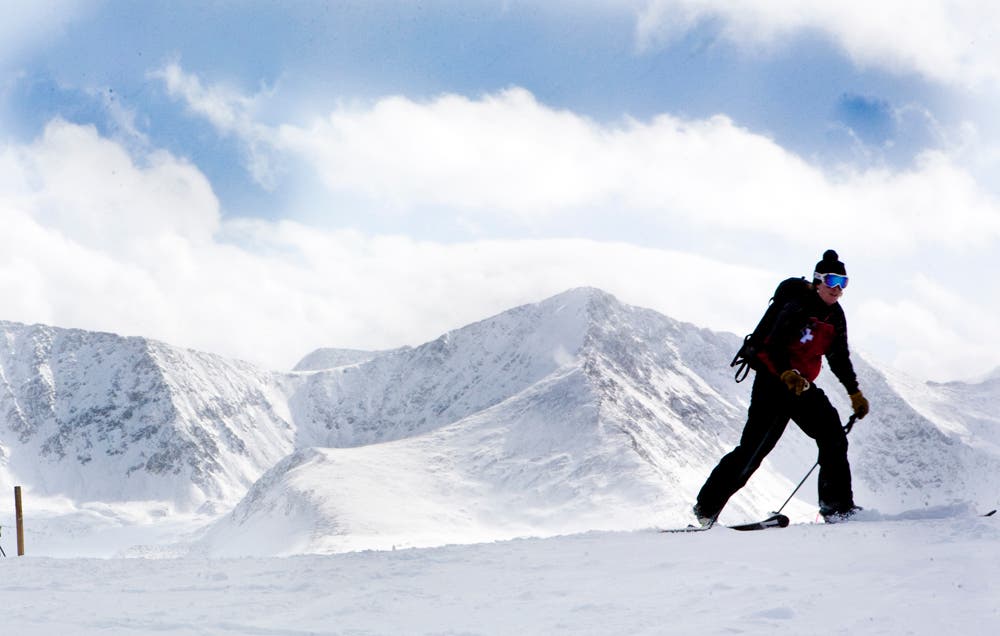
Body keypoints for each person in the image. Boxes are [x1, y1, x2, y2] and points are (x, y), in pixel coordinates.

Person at [693, 249, 870, 525]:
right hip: (773, 383)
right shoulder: (797, 305)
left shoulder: (835, 316)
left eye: (844, 283)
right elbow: (773, 345)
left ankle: (837, 508)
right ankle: (706, 509)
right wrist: (787, 374)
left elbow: (839, 357)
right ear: (818, 280)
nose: (838, 290)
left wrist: (853, 392)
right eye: (833, 281)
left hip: (802, 387)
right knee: (753, 450)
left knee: (833, 435)